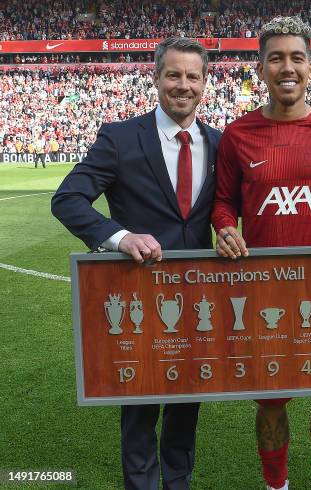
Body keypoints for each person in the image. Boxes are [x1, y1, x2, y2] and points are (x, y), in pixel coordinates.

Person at [51, 37, 221, 490]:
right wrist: (121, 238)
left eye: (192, 76)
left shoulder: (222, 144)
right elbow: (67, 198)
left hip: (199, 300)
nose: (183, 85)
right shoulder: (120, 137)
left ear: (205, 83)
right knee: (140, 411)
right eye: (173, 75)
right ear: (156, 78)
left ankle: (179, 483)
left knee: (187, 407)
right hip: (140, 296)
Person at [211, 16, 311, 490]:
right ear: (260, 68)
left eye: (296, 57)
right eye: (276, 58)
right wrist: (224, 228)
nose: (287, 67)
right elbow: (224, 201)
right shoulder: (238, 135)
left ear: (310, 67)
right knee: (271, 398)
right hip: (262, 289)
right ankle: (275, 485)